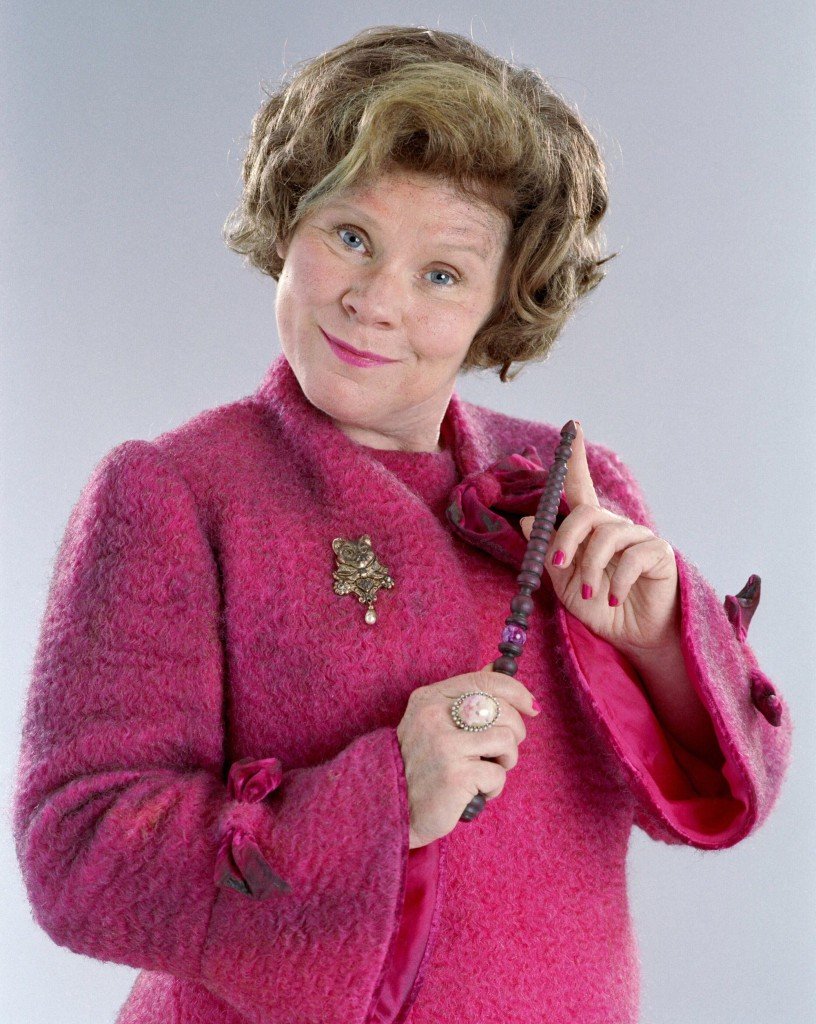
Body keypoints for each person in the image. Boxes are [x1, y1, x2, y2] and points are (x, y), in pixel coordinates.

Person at [12, 25, 792, 1024]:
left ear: (500, 303)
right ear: (289, 219)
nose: (375, 301)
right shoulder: (171, 493)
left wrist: (660, 650)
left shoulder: (577, 488)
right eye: (351, 236)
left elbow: (718, 798)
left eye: (441, 274)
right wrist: (380, 800)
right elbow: (78, 853)